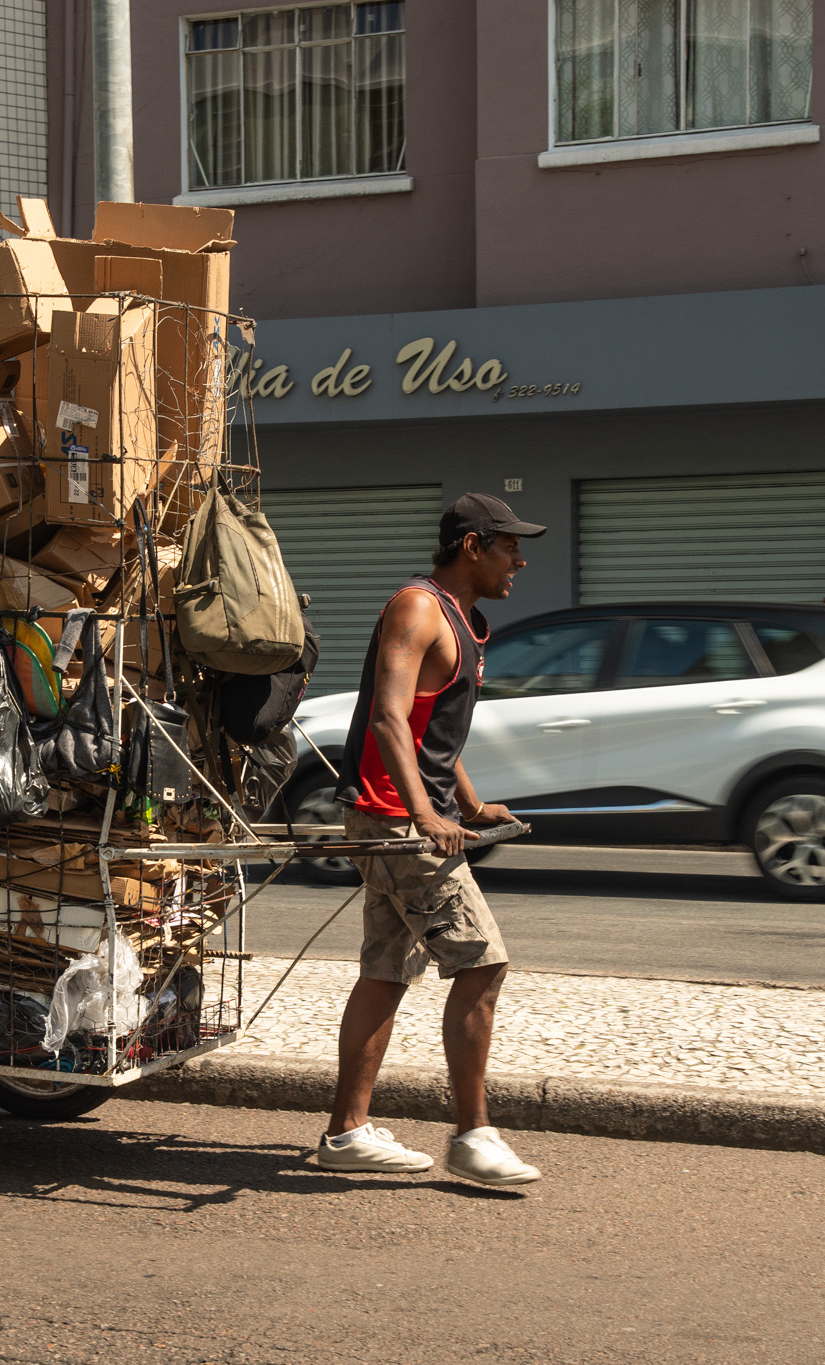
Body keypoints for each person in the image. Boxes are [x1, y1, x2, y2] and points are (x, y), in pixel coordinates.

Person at [313, 492, 544, 1187]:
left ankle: (346, 1132)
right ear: (472, 546)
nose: (520, 561)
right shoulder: (418, 608)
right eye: (510, 546)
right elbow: (387, 718)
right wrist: (423, 815)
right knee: (482, 964)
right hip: (390, 817)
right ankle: (473, 1136)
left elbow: (428, 728)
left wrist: (468, 803)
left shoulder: (464, 621)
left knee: (386, 970)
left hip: (401, 813)